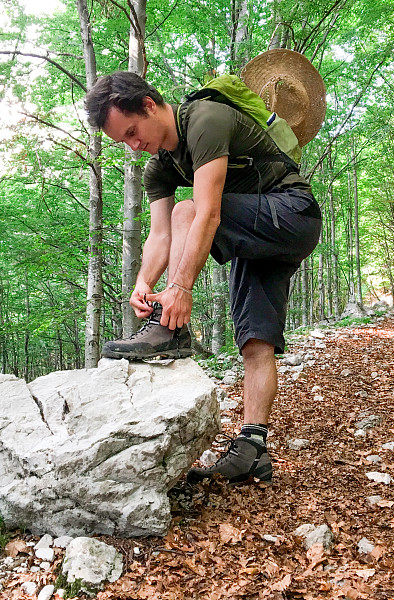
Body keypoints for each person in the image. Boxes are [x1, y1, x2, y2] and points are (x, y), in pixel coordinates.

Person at [84, 50, 325, 484]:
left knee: (187, 211)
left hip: (293, 213)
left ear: (150, 104)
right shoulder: (159, 168)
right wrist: (144, 282)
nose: (134, 146)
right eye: (124, 142)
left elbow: (207, 215)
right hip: (260, 238)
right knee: (256, 341)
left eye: (134, 132)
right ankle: (254, 448)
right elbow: (159, 237)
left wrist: (178, 289)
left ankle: (171, 330)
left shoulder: (206, 119)